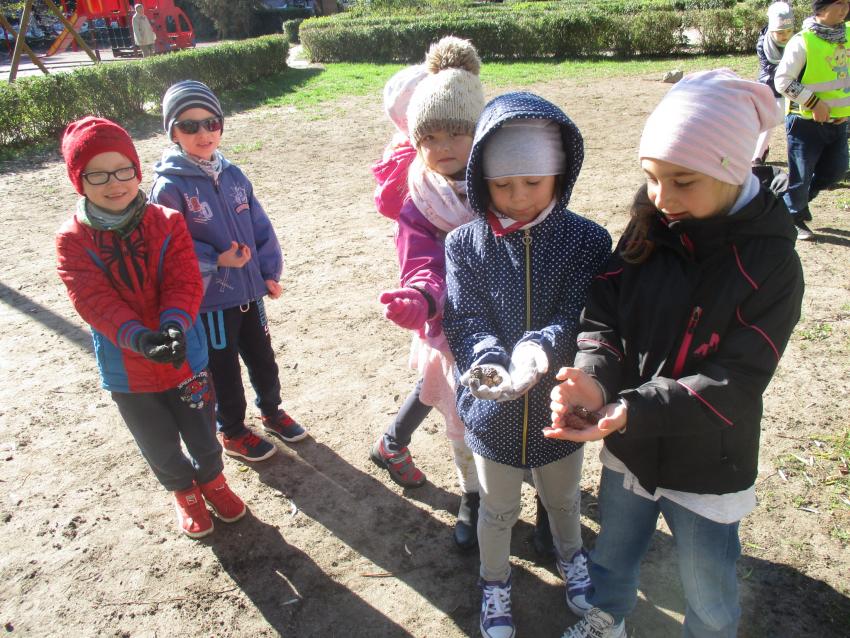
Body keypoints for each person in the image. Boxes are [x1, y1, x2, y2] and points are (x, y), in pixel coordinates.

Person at [548, 69, 804, 638]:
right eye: (652, 177)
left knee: (708, 587)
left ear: (732, 169)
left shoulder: (771, 265)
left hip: (708, 463)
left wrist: (633, 408)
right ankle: (607, 616)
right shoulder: (650, 227)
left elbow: (737, 379)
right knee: (613, 554)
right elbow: (603, 317)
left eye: (683, 181)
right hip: (630, 446)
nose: (662, 198)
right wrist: (594, 379)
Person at [443, 91, 612, 638]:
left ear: (560, 173)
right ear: (480, 179)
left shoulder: (587, 240)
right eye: (501, 185)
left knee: (563, 499)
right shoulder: (464, 244)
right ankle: (494, 582)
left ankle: (572, 557)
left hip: (561, 406)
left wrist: (538, 350)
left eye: (533, 182)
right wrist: (490, 362)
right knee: (497, 509)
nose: (517, 197)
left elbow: (582, 315)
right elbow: (464, 317)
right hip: (491, 410)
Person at [56, 116, 247, 539]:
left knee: (202, 429)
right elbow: (93, 300)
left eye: (123, 170)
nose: (114, 183)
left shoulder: (167, 221)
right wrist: (139, 337)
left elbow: (184, 281)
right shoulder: (72, 239)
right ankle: (184, 492)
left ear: (136, 170)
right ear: (78, 180)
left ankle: (213, 481)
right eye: (98, 174)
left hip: (185, 354)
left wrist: (175, 325)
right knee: (156, 440)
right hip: (128, 366)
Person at [150, 80, 307, 464]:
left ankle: (271, 411)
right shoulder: (169, 186)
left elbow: (260, 227)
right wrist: (214, 258)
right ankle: (232, 431)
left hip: (250, 292)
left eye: (212, 122)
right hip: (211, 301)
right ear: (173, 132)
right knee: (223, 371)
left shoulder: (234, 174)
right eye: (190, 125)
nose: (203, 133)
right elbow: (167, 246)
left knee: (263, 357)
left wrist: (268, 271)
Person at [369, 36, 486, 550]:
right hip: (450, 325)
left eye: (457, 133)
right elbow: (421, 263)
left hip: (511, 318)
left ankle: (543, 499)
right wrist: (419, 298)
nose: (443, 147)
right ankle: (473, 494)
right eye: (429, 137)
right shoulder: (420, 200)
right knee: (460, 415)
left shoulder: (506, 182)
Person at [774, 0, 849, 240]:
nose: (845, 9)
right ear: (821, 8)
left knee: (836, 171)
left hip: (839, 123)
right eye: (839, 3)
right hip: (804, 123)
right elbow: (783, 81)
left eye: (848, 3)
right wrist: (814, 103)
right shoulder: (802, 41)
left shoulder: (847, 35)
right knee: (801, 176)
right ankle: (793, 216)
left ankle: (792, 204)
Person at [753, 2, 795, 164]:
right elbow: (772, 70)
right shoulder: (764, 44)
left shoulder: (797, 42)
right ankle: (757, 156)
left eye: (789, 31)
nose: (785, 36)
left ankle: (759, 154)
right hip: (771, 86)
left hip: (792, 86)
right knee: (769, 120)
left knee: (793, 122)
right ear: (771, 29)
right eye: (780, 32)